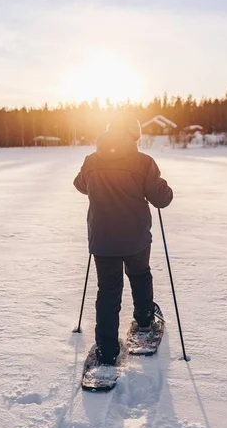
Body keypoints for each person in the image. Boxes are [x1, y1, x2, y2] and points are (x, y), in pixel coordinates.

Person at [74, 111, 173, 366]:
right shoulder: (143, 162)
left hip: (103, 239)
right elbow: (161, 198)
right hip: (136, 238)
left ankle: (106, 350)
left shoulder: (91, 161)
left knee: (108, 291)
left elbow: (80, 185)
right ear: (134, 135)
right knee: (140, 277)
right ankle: (144, 323)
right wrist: (164, 187)